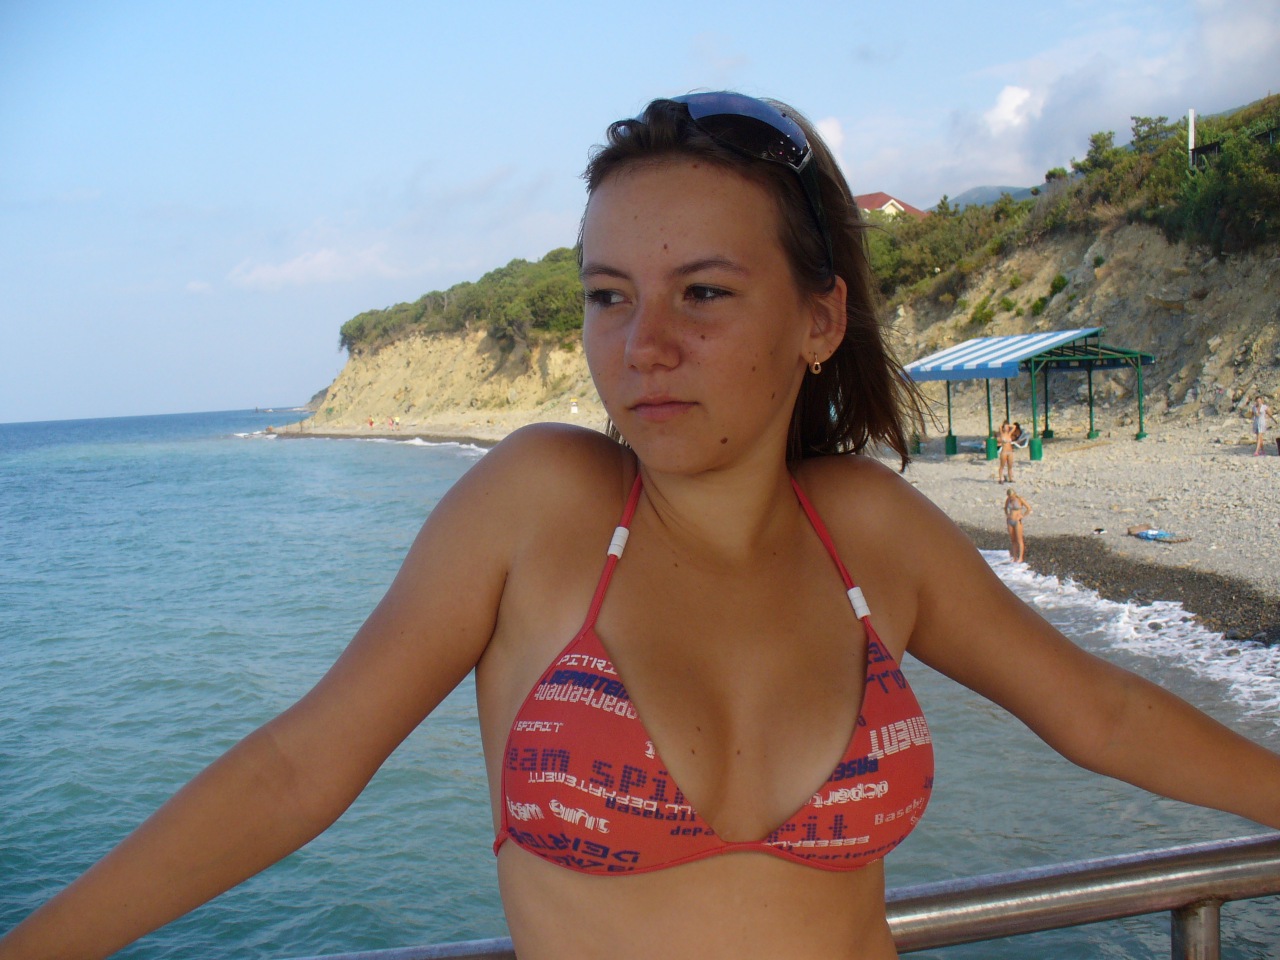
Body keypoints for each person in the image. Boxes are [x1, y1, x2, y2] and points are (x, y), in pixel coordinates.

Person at [4, 92, 1279, 960]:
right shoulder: (540, 506)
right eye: (607, 295)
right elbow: (297, 769)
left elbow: (1100, 716)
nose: (642, 345)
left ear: (819, 318)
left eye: (702, 292)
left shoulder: (866, 532)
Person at [1004, 487, 1032, 563]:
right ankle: (1014, 557)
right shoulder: (1008, 500)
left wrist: (1022, 515)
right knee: (1013, 540)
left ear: (1014, 494)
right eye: (1010, 496)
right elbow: (1005, 508)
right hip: (1010, 521)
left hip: (1017, 521)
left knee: (1019, 539)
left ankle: (1021, 557)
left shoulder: (1020, 499)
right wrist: (1007, 515)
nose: (1011, 498)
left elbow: (1029, 508)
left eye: (1012, 496)